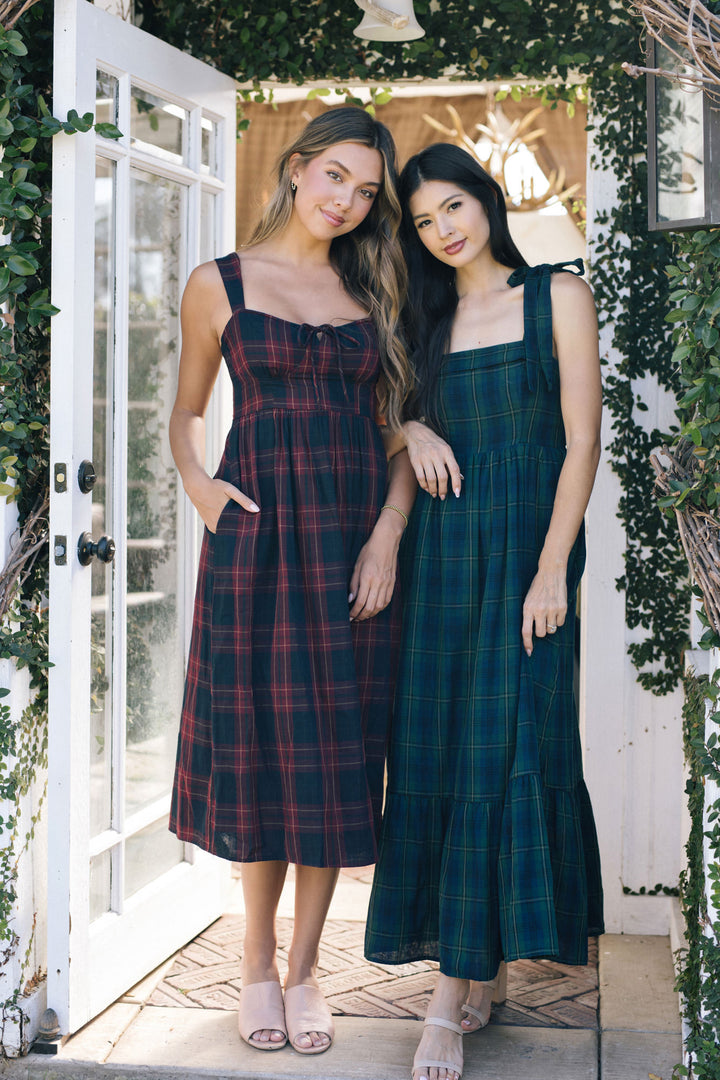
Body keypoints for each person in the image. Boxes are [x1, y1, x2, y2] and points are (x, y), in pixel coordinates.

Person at [168, 107, 416, 1057]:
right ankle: (257, 967)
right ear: (299, 167)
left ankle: (310, 968)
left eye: (367, 192)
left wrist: (388, 538)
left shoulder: (375, 291)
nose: (349, 202)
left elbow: (397, 434)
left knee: (338, 757)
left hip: (352, 546)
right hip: (259, 543)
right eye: (337, 179)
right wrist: (202, 490)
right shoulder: (218, 284)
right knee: (266, 756)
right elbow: (188, 413)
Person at [364, 143, 605, 1080]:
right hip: (441, 564)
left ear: (486, 201)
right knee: (442, 753)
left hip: (527, 561)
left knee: (514, 746)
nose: (444, 229)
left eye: (454, 206)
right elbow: (378, 416)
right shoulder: (422, 318)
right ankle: (474, 972)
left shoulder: (557, 297)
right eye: (425, 220)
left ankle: (447, 996)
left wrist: (553, 571)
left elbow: (582, 443)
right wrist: (409, 424)